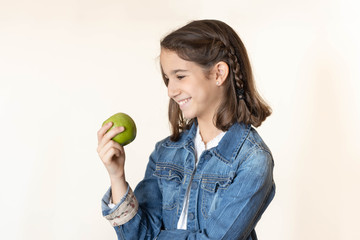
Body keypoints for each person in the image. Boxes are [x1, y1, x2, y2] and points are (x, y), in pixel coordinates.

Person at [97, 19, 275, 240]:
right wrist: (117, 176)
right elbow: (139, 235)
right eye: (167, 79)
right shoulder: (165, 151)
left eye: (180, 76)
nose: (171, 90)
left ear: (219, 73)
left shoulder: (253, 160)